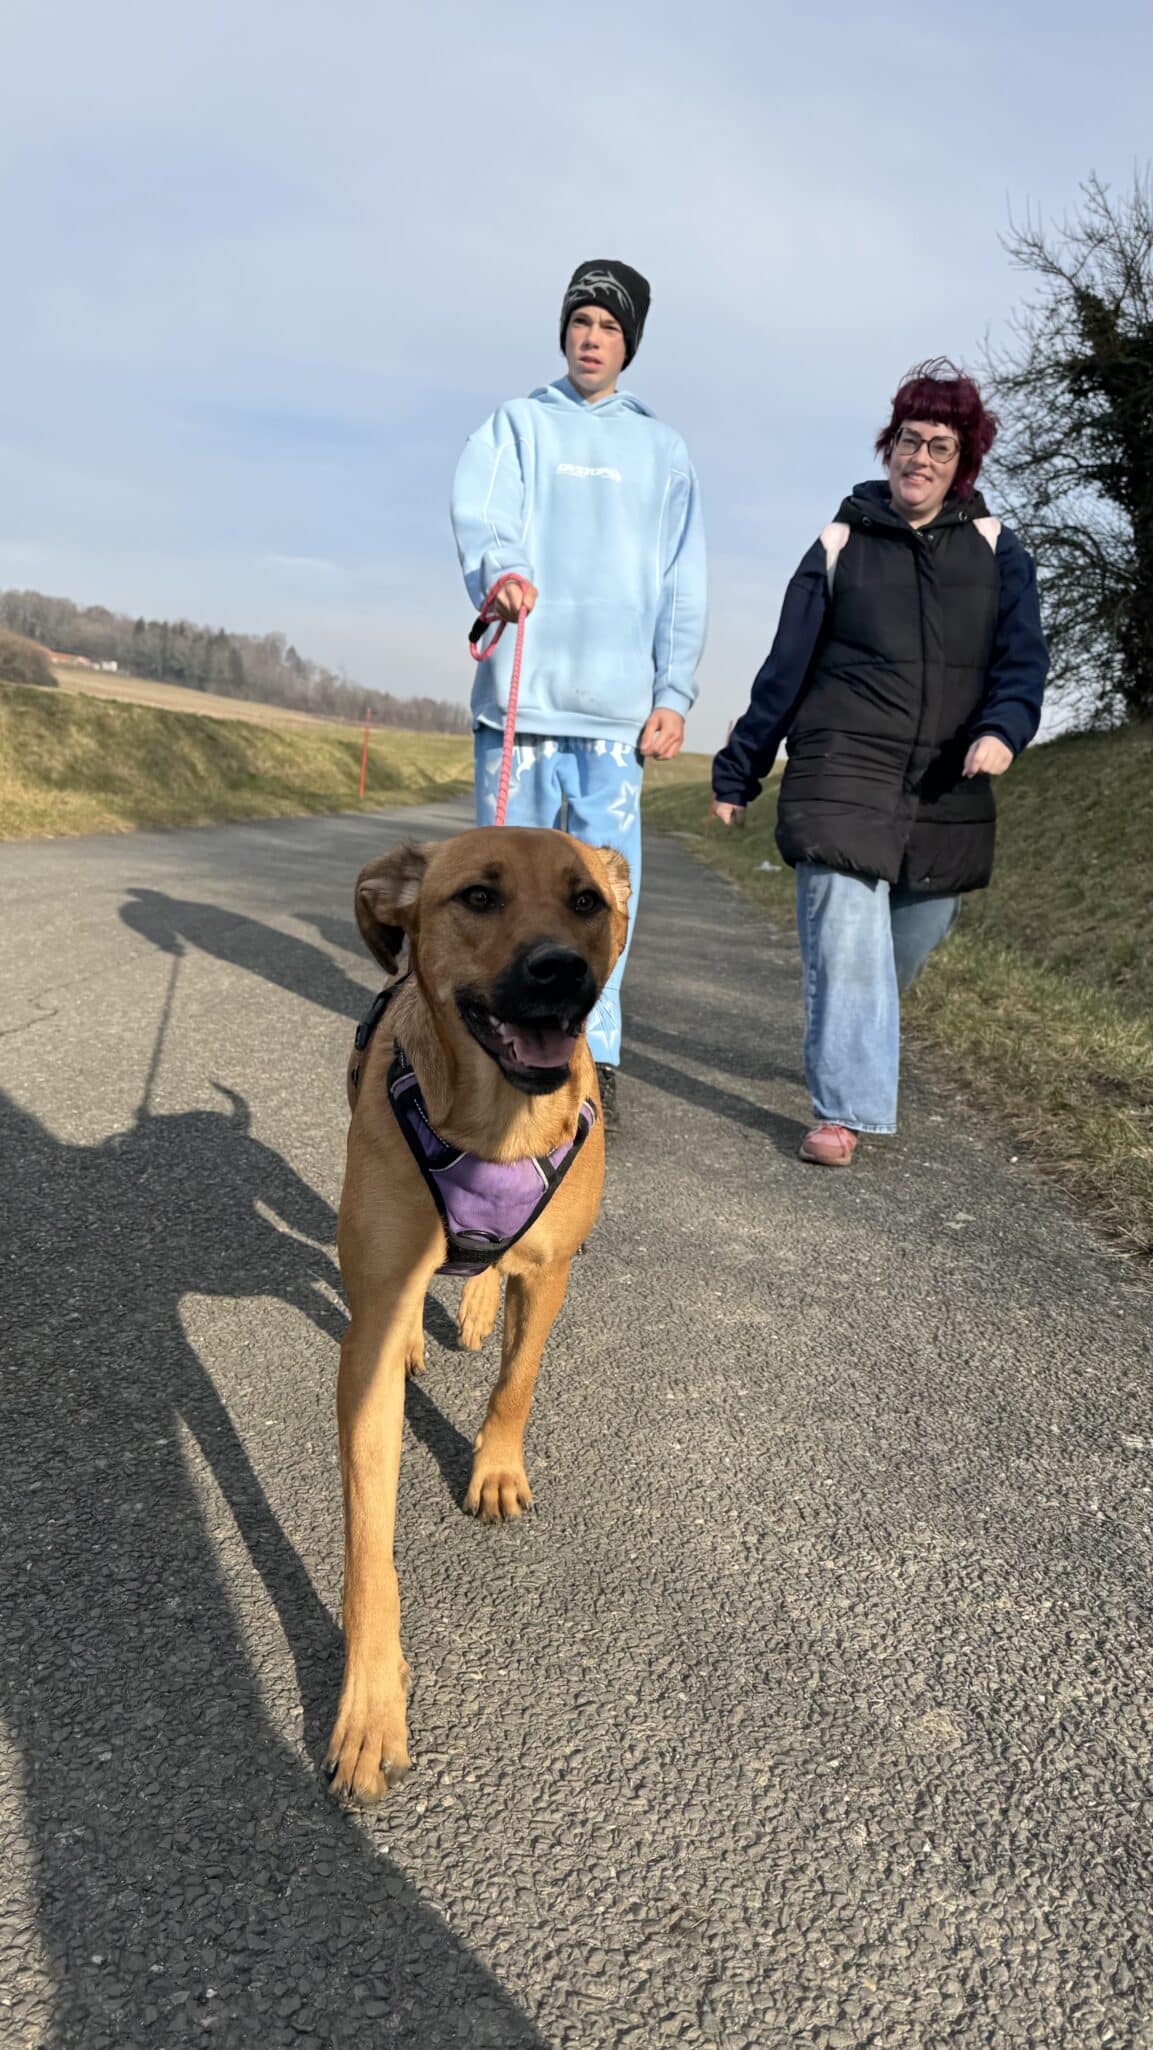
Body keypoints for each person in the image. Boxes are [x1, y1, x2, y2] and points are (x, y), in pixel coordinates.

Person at [711, 358, 1048, 1166]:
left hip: (944, 781)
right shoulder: (839, 544)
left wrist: (1003, 728)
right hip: (840, 767)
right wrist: (739, 769)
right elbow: (784, 668)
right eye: (907, 440)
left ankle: (850, 1038)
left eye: (938, 445)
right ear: (887, 446)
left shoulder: (997, 550)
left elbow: (1022, 661)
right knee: (846, 935)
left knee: (908, 938)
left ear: (962, 462)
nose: (918, 458)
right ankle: (843, 1113)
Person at [450, 260, 707, 1130]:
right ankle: (490, 1047)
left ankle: (593, 1056)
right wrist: (501, 573)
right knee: (498, 896)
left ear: (629, 343)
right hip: (519, 707)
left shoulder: (662, 451)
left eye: (609, 326)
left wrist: (673, 691)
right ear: (563, 331)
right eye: (581, 321)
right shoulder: (516, 425)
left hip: (613, 719)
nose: (592, 339)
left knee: (599, 902)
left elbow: (682, 582)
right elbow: (485, 517)